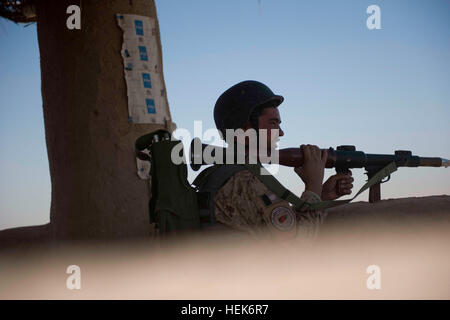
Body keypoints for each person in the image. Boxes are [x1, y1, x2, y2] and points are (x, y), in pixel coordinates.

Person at [212, 80, 354, 239]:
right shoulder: (245, 180)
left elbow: (276, 226)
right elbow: (296, 244)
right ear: (246, 129)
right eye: (273, 123)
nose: (280, 133)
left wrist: (322, 196)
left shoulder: (228, 174)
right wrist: (313, 186)